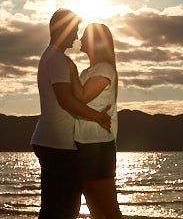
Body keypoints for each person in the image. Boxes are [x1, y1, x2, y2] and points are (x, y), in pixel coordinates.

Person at [32, 9, 112, 219]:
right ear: (62, 30)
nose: (77, 36)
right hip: (58, 144)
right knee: (63, 209)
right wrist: (98, 117)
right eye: (74, 30)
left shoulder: (53, 57)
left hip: (53, 141)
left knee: (57, 207)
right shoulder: (57, 59)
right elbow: (66, 100)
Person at [71, 23, 123, 219]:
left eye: (85, 36)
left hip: (98, 145)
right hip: (84, 144)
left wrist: (68, 71)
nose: (81, 39)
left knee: (108, 209)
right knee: (96, 209)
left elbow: (80, 98)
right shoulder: (87, 72)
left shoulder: (105, 69)